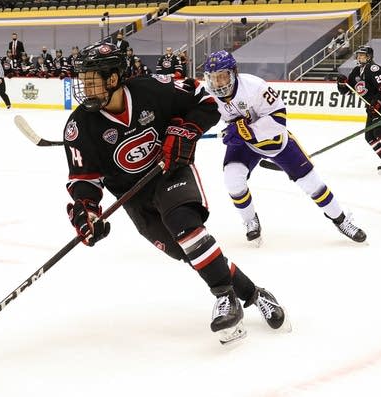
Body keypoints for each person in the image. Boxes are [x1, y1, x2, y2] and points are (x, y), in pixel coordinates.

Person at [63, 43, 290, 345]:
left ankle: (225, 297)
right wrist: (87, 211)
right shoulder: (79, 126)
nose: (84, 86)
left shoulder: (153, 90)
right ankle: (255, 294)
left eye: (91, 78)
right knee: (191, 252)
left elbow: (206, 100)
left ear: (114, 78)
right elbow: (85, 180)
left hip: (171, 171)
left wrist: (186, 129)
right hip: (135, 197)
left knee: (187, 228)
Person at [202, 50, 367, 245]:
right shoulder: (209, 93)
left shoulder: (255, 87)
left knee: (313, 184)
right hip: (245, 145)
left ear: (234, 72)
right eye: (213, 78)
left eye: (222, 76)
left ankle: (342, 220)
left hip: (276, 143)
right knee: (232, 180)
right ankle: (250, 221)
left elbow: (279, 120)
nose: (218, 83)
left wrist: (245, 130)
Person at [336, 46, 381, 176]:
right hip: (372, 108)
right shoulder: (356, 71)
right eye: (358, 55)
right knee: (369, 136)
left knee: (380, 131)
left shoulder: (374, 69)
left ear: (369, 56)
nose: (359, 57)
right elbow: (347, 91)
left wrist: (377, 102)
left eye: (362, 55)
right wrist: (342, 83)